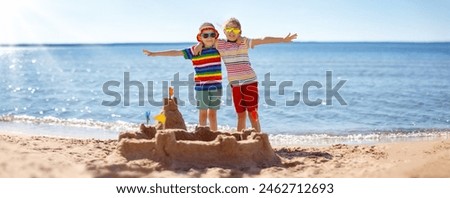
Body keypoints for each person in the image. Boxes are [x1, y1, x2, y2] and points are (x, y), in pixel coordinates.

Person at [195, 17, 297, 132]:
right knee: (240, 115)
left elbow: (263, 40)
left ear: (240, 31)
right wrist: (199, 44)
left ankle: (259, 138)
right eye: (228, 30)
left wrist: (283, 39)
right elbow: (207, 40)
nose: (232, 32)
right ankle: (240, 141)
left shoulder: (244, 42)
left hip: (250, 82)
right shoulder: (220, 44)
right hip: (235, 85)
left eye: (235, 30)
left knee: (253, 113)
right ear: (224, 32)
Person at [143, 23, 222, 131]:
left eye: (212, 34)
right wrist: (155, 53)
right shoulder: (194, 51)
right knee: (203, 113)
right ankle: (202, 133)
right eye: (205, 35)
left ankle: (214, 134)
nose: (209, 38)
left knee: (212, 114)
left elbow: (232, 44)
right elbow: (175, 52)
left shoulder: (219, 48)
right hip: (201, 87)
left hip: (216, 87)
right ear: (200, 37)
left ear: (216, 36)